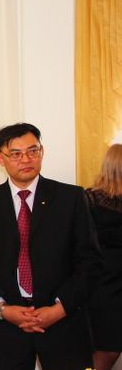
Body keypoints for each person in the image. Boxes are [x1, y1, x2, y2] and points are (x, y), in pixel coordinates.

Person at [0, 122, 102, 370]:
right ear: (0, 158)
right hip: (6, 331)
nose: (26, 159)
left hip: (65, 325)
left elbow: (90, 263)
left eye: (32, 151)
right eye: (16, 154)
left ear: (42, 151)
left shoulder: (71, 198)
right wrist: (4, 309)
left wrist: (58, 309)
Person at [85, 144, 122, 370]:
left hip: (103, 287)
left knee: (104, 352)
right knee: (106, 351)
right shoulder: (90, 199)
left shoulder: (89, 199)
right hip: (106, 288)